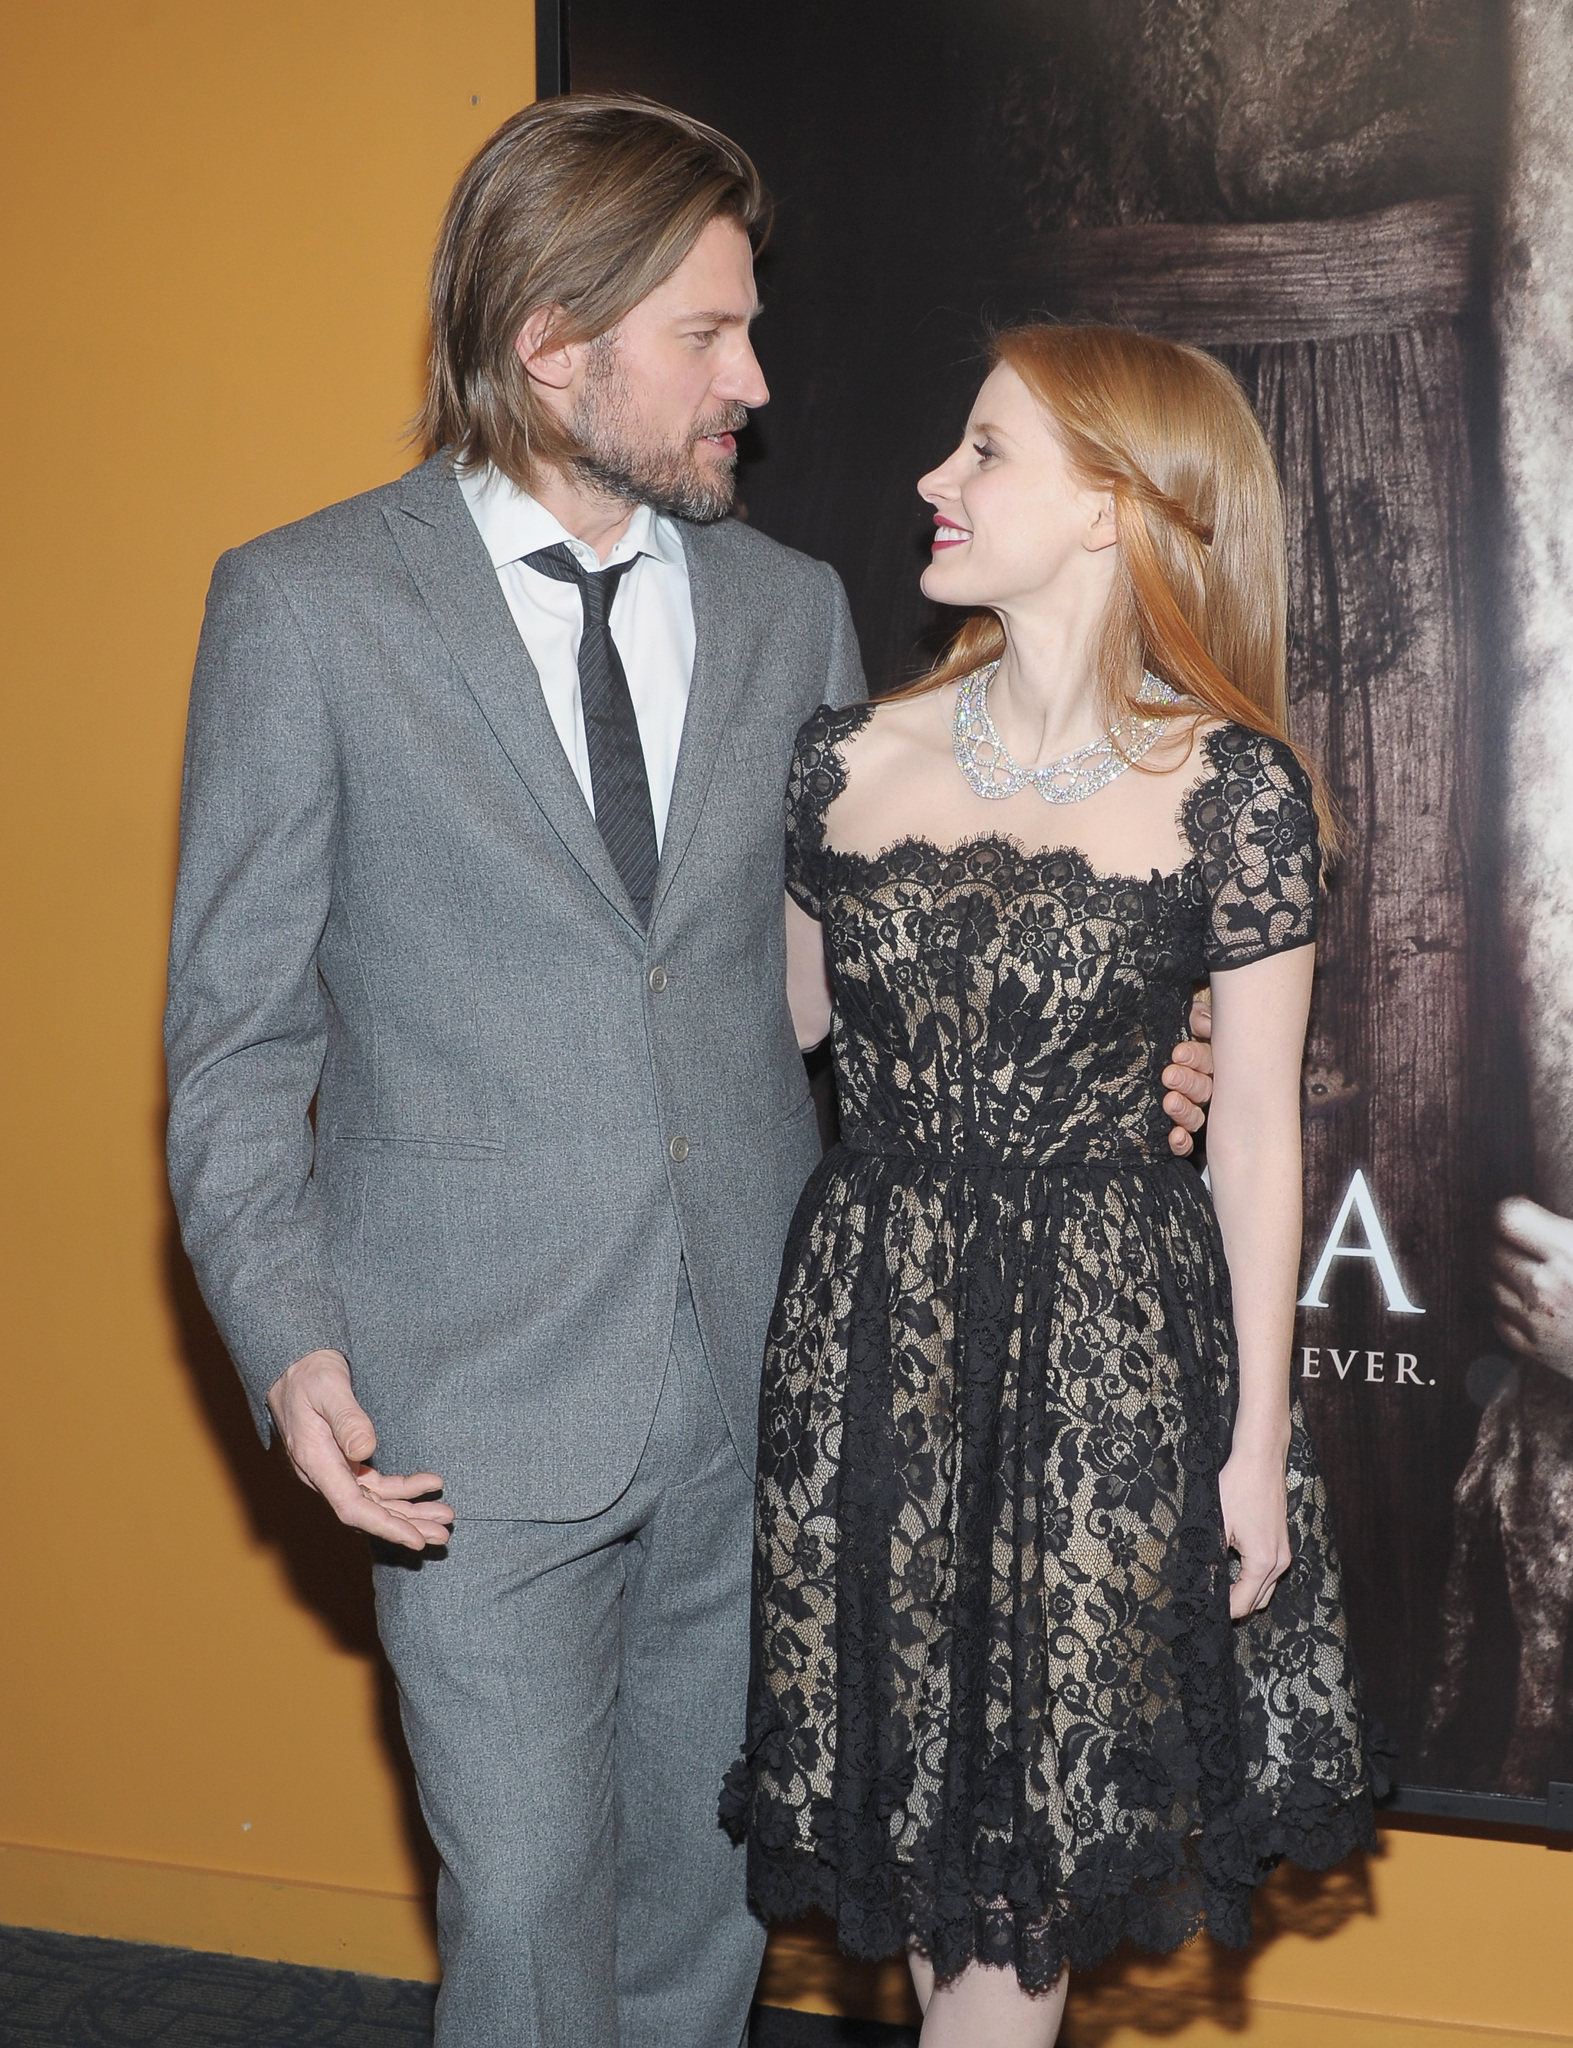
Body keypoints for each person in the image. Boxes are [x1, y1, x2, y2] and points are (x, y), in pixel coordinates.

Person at [164, 98, 1214, 2048]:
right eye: (708, 337)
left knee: (704, 1917)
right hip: (453, 1403)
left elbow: (860, 965)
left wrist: (1107, 1049)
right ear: (554, 345)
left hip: (762, 1367)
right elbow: (234, 1050)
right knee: (532, 1915)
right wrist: (290, 1338)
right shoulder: (304, 608)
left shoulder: (787, 607)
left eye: (749, 329)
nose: (755, 376)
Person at [721, 324, 1381, 2046]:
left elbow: (1252, 1132)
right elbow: (764, 1031)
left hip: (1106, 1367)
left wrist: (1251, 1451)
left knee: (1014, 1905)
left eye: (986, 449)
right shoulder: (841, 763)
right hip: (873, 1355)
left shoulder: (1229, 790)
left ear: (1111, 508)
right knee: (931, 1862)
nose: (935, 481)